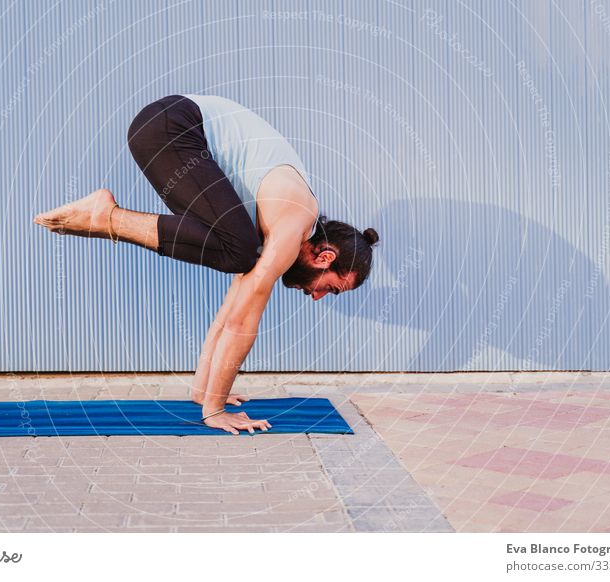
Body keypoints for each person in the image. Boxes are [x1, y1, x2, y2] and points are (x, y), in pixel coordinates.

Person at [34, 94, 379, 435]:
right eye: (331, 288)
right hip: (173, 128)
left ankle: (105, 216)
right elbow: (243, 322)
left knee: (238, 252)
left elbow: (230, 313)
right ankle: (105, 216)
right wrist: (215, 411)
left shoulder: (274, 227)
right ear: (324, 257)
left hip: (166, 129)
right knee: (238, 251)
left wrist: (206, 393)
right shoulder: (293, 221)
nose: (317, 297)